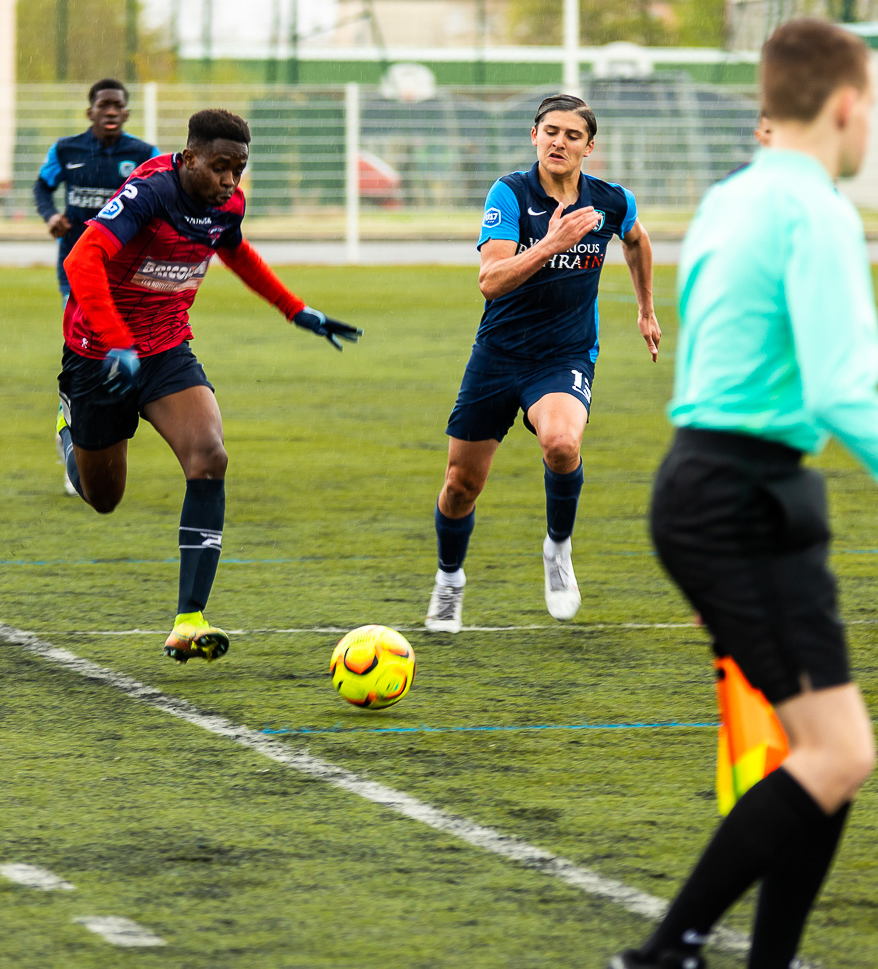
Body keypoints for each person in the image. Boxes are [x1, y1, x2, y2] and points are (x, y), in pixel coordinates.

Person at [613, 19, 878, 969]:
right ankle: (664, 952)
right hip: (743, 496)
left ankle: (756, 959)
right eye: (873, 107)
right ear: (848, 105)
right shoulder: (818, 210)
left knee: (831, 751)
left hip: (714, 485)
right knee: (836, 754)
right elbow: (842, 389)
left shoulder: (730, 199)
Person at [55, 109, 362, 664]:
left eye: (238, 170)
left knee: (209, 457)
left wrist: (296, 310)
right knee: (103, 498)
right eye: (220, 167)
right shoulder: (149, 192)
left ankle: (188, 621)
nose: (229, 181)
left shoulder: (226, 207)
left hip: (167, 349)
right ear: (189, 157)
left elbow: (235, 249)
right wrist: (117, 339)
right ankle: (70, 429)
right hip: (101, 354)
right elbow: (83, 258)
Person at [426, 94, 660, 633]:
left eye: (572, 135)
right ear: (535, 136)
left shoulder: (610, 200)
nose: (559, 141)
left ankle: (558, 549)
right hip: (498, 355)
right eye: (550, 131)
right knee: (461, 483)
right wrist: (553, 242)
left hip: (564, 355)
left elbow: (638, 240)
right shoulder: (510, 193)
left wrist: (646, 308)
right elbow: (491, 280)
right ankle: (449, 581)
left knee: (561, 443)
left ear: (589, 147)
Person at [33, 79, 161, 305]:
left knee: (123, 333)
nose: (111, 112)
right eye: (103, 105)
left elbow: (163, 196)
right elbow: (42, 186)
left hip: (126, 258)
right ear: (90, 112)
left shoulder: (145, 153)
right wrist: (52, 216)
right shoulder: (66, 150)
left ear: (126, 113)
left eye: (117, 106)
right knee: (80, 333)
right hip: (77, 254)